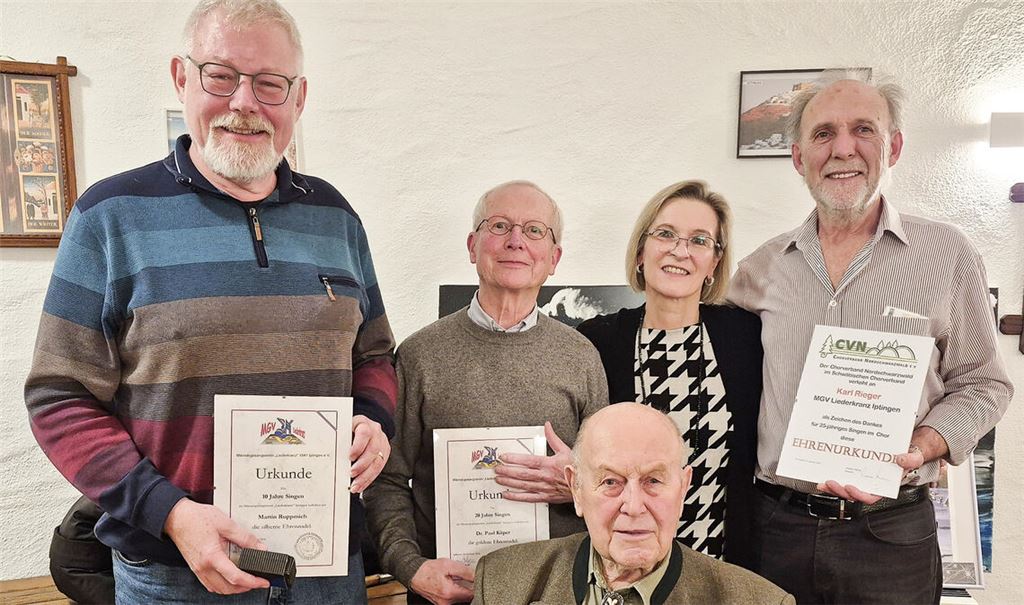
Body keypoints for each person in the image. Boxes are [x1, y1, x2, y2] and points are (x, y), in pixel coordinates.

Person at [24, 1, 398, 602]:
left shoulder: (336, 217)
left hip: (326, 566)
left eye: (270, 84)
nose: (244, 102)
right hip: (174, 575)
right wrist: (169, 513)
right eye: (221, 76)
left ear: (299, 98)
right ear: (182, 77)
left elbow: (375, 354)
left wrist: (374, 420)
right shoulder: (109, 217)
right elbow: (59, 398)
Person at [729, 69, 1013, 604]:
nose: (843, 149)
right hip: (775, 528)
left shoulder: (948, 254)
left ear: (894, 147)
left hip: (891, 533)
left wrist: (922, 445)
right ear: (798, 158)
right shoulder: (761, 268)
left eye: (863, 129)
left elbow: (985, 385)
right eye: (823, 134)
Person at [364, 180, 609, 605]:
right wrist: (410, 567)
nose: (516, 240)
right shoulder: (419, 354)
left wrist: (579, 484)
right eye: (499, 225)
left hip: (556, 593)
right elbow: (386, 479)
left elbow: (610, 483)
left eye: (534, 230)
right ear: (472, 246)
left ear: (553, 258)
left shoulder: (582, 357)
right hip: (447, 593)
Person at [575, 180, 762, 571]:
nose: (680, 250)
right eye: (665, 234)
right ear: (640, 252)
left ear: (714, 263)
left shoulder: (747, 338)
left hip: (720, 571)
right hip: (623, 569)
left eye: (699, 240)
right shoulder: (598, 342)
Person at [473, 403, 793, 605]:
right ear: (576, 489)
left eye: (653, 481)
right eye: (610, 482)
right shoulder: (501, 584)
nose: (634, 506)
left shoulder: (760, 601)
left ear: (683, 488)